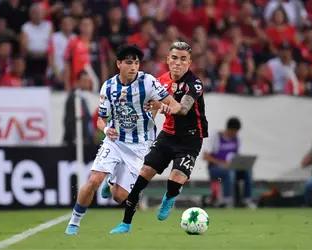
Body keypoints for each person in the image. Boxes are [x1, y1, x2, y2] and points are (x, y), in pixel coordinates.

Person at [64, 44, 181, 235]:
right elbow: (101, 120)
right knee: (93, 180)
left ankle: (111, 182)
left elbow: (174, 105)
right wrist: (107, 128)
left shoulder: (148, 82)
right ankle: (74, 223)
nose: (134, 66)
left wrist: (166, 108)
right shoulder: (108, 87)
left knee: (120, 197)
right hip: (116, 141)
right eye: (129, 62)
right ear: (118, 64)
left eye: (136, 62)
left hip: (141, 146)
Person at [110, 41, 208, 234]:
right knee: (143, 176)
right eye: (174, 58)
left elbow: (183, 108)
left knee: (175, 178)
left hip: (190, 139)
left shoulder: (194, 84)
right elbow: (150, 111)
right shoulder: (160, 81)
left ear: (189, 62)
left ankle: (170, 196)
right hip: (168, 136)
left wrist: (163, 106)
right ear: (167, 60)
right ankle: (125, 223)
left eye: (183, 59)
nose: (178, 63)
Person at [203, 117, 255, 208]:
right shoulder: (216, 136)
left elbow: (236, 156)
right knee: (229, 172)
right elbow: (205, 157)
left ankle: (247, 200)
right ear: (228, 129)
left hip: (232, 168)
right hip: (215, 169)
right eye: (233, 131)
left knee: (248, 171)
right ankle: (227, 200)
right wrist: (222, 163)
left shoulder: (237, 139)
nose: (235, 134)